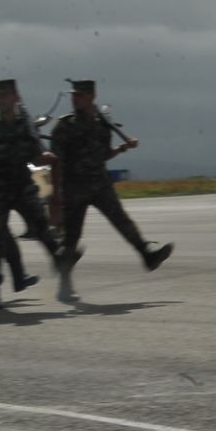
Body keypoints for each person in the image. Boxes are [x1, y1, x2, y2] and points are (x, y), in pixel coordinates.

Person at [50, 80, 172, 300]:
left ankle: (147, 255)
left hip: (99, 183)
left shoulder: (102, 124)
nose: (74, 98)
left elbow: (103, 154)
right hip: (74, 187)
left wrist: (122, 149)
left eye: (79, 95)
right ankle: (65, 283)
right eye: (73, 95)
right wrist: (56, 194)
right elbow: (56, 161)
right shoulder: (64, 126)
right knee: (71, 237)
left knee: (122, 221)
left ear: (91, 96)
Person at [0, 79, 72, 302]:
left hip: (22, 187)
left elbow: (34, 154)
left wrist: (46, 160)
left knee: (42, 229)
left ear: (15, 96)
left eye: (5, 95)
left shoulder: (24, 125)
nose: (1, 100)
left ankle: (61, 261)